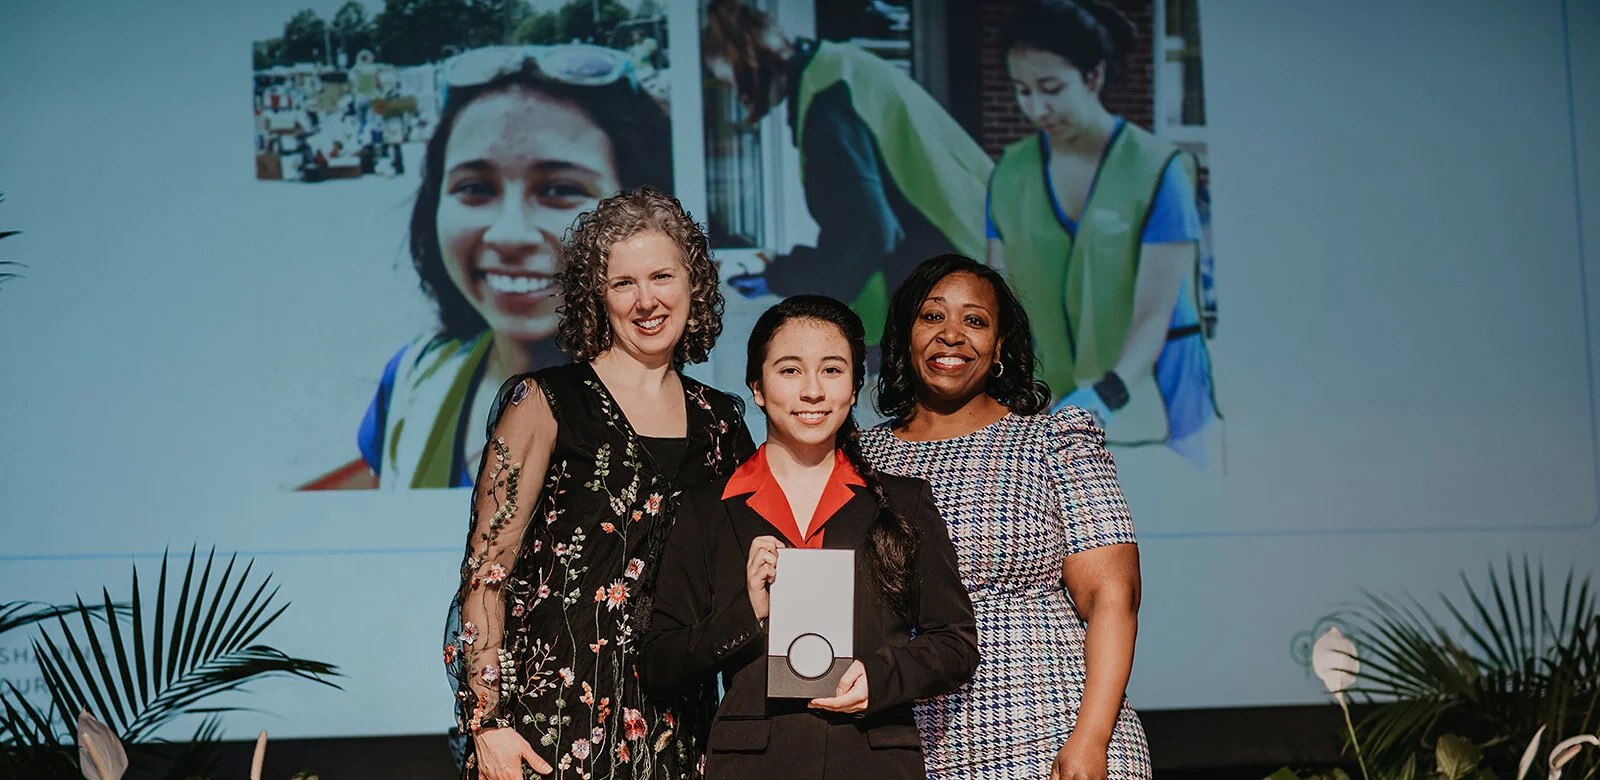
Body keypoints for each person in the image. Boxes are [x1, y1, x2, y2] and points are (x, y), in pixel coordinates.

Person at [447, 187, 754, 780]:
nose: (647, 297)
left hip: (675, 738)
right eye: (624, 282)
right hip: (546, 739)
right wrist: (488, 725)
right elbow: (484, 579)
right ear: (597, 296)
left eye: (663, 275)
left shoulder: (726, 423)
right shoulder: (544, 401)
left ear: (695, 286)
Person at [641, 295, 979, 780]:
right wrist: (745, 614)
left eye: (832, 370)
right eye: (789, 370)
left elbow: (957, 644)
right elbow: (661, 662)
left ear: (855, 383)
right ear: (757, 387)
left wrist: (881, 676)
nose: (813, 388)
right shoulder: (708, 513)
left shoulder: (901, 505)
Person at [862, 254, 1151, 780]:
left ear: (1001, 345)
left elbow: (1113, 597)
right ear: (904, 334)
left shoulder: (1054, 437)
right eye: (932, 315)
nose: (952, 334)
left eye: (976, 319)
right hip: (917, 740)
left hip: (1053, 726)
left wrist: (1091, 735)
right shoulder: (860, 458)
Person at [304, 44, 673, 489]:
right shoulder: (415, 379)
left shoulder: (681, 418)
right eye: (476, 187)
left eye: (558, 188)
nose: (509, 235)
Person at [988, 0, 1217, 463]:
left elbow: (1155, 315)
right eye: (1023, 90)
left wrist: (1102, 398)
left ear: (1092, 78)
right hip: (1051, 421)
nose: (1037, 107)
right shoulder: (1010, 174)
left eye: (1051, 87)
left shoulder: (1158, 170)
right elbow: (999, 305)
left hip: (1157, 411)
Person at [701, 0, 992, 345]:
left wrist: (789, 279)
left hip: (959, 277)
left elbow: (867, 235)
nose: (736, 94)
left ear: (747, 62)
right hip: (974, 252)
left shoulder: (827, 102)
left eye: (731, 80)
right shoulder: (838, 70)